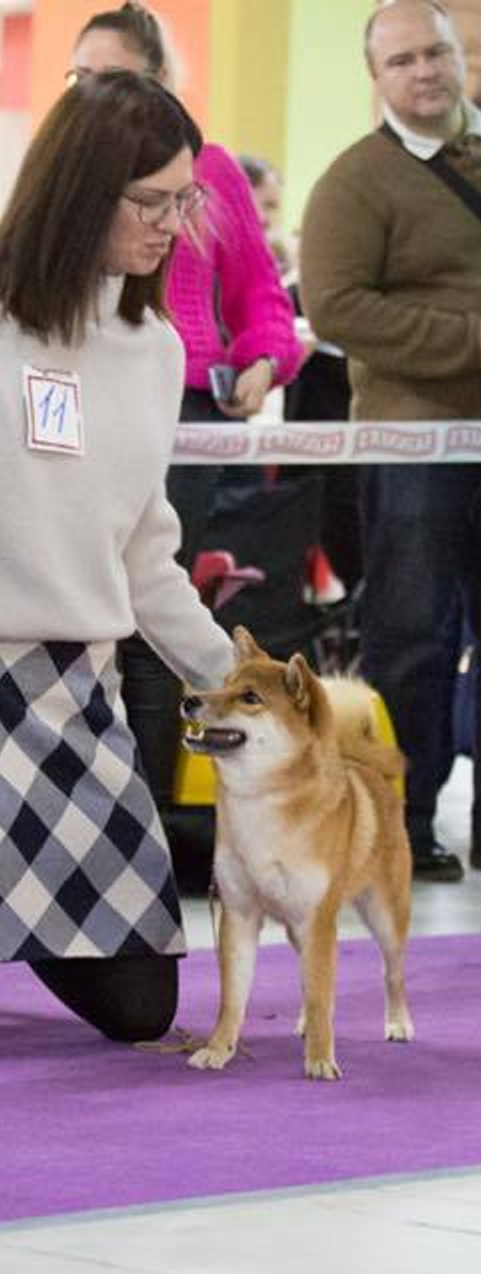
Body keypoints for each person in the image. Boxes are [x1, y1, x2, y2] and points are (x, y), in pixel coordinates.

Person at [0, 71, 234, 1040]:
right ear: (80, 189)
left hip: (77, 702)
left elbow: (148, 552)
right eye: (148, 200)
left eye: (183, 198)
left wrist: (238, 676)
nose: (171, 224)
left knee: (144, 1010)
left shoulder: (156, 350)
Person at [301, 0, 481, 882]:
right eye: (401, 60)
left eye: (435, 52)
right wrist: (461, 340)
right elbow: (335, 307)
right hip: (412, 445)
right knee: (412, 637)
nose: (424, 71)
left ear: (457, 55)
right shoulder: (353, 181)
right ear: (379, 78)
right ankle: (403, 823)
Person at [72, 3, 304, 861]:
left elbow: (263, 300)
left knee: (151, 628)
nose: (171, 224)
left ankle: (143, 833)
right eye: (78, 80)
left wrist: (262, 360)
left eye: (112, 78)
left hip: (194, 413)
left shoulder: (210, 177)